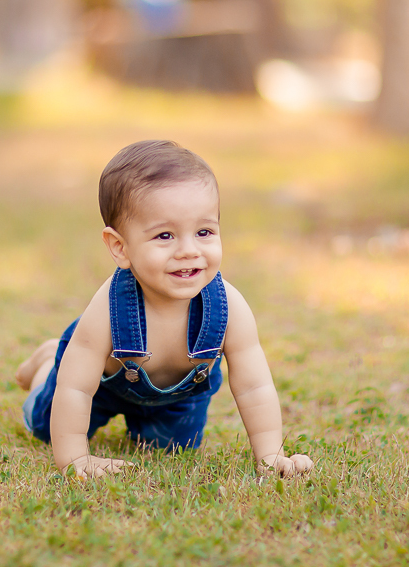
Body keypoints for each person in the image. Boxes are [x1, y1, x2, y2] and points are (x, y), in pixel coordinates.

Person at [16, 140, 314, 479]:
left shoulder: (228, 307)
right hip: (100, 382)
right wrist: (75, 460)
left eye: (204, 231)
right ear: (120, 247)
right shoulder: (107, 310)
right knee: (44, 425)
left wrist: (270, 455)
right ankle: (48, 360)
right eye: (164, 236)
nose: (188, 250)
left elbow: (253, 386)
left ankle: (148, 421)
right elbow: (76, 388)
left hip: (175, 397)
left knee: (172, 447)